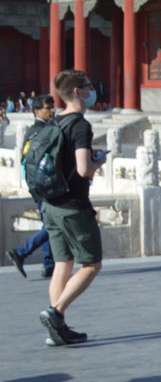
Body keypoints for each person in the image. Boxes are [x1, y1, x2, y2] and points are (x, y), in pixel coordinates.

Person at [37, 70, 107, 346]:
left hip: (51, 204)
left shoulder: (55, 122)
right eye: (89, 86)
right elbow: (82, 168)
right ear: (78, 92)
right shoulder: (80, 125)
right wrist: (97, 163)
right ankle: (55, 312)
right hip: (73, 206)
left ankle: (59, 329)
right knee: (91, 263)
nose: (92, 90)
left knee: (62, 263)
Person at [8, 94, 57, 280]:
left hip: (37, 186)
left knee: (49, 224)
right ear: (37, 111)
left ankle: (49, 264)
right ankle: (21, 252)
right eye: (48, 107)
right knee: (54, 225)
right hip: (46, 187)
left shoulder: (34, 131)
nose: (52, 110)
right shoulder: (43, 132)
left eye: (52, 106)